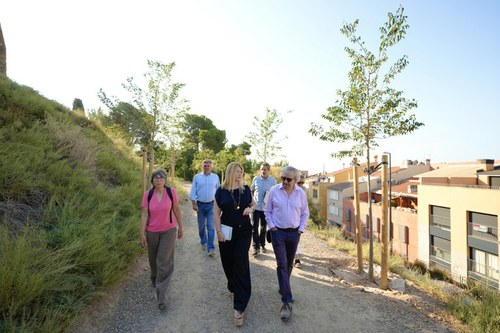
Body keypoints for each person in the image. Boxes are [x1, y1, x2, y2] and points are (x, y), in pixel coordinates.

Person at [214, 162, 256, 326]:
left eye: (242, 171)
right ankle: (233, 285)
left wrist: (250, 209)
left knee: (240, 262)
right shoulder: (221, 191)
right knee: (227, 262)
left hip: (244, 232)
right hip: (226, 232)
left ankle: (239, 306)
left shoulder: (245, 190)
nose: (240, 174)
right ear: (230, 172)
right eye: (237, 171)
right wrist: (218, 232)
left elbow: (254, 203)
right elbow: (216, 213)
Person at [265, 166, 309, 321]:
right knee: (282, 264)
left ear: (295, 180)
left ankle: (283, 286)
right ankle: (287, 300)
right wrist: (272, 227)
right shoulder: (274, 190)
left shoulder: (301, 194)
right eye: (283, 178)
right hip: (278, 233)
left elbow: (305, 213)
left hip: (294, 233)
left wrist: (300, 230)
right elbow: (267, 210)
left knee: (289, 263)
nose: (284, 181)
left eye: (288, 179)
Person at [140, 169, 184, 311]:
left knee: (163, 262)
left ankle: (161, 298)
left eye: (161, 178)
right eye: (155, 178)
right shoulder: (148, 195)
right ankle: (154, 278)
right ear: (152, 180)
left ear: (165, 180)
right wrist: (142, 233)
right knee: (153, 261)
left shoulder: (172, 193)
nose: (158, 180)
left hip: (168, 230)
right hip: (151, 231)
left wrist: (181, 227)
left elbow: (177, 210)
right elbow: (144, 215)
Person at [190, 159, 220, 256]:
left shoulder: (215, 177)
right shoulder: (197, 177)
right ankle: (203, 241)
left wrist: (219, 205)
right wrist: (193, 203)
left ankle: (211, 248)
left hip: (212, 205)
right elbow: (193, 190)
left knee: (210, 227)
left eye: (208, 165)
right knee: (201, 226)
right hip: (200, 205)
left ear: (211, 167)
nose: (206, 167)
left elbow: (219, 191)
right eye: (205, 165)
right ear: (202, 166)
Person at [250, 162, 277, 256]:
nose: (263, 171)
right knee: (254, 227)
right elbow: (252, 190)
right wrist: (252, 202)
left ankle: (262, 245)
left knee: (263, 228)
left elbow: (275, 194)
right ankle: (255, 247)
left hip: (266, 209)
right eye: (262, 169)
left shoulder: (273, 181)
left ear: (268, 170)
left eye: (265, 169)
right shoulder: (256, 179)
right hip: (256, 207)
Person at [294, 175, 307, 268]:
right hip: (287, 221)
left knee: (296, 240)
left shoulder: (303, 191)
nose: (301, 185)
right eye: (299, 183)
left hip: (298, 220)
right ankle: (295, 259)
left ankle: (296, 259)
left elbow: (305, 208)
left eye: (303, 183)